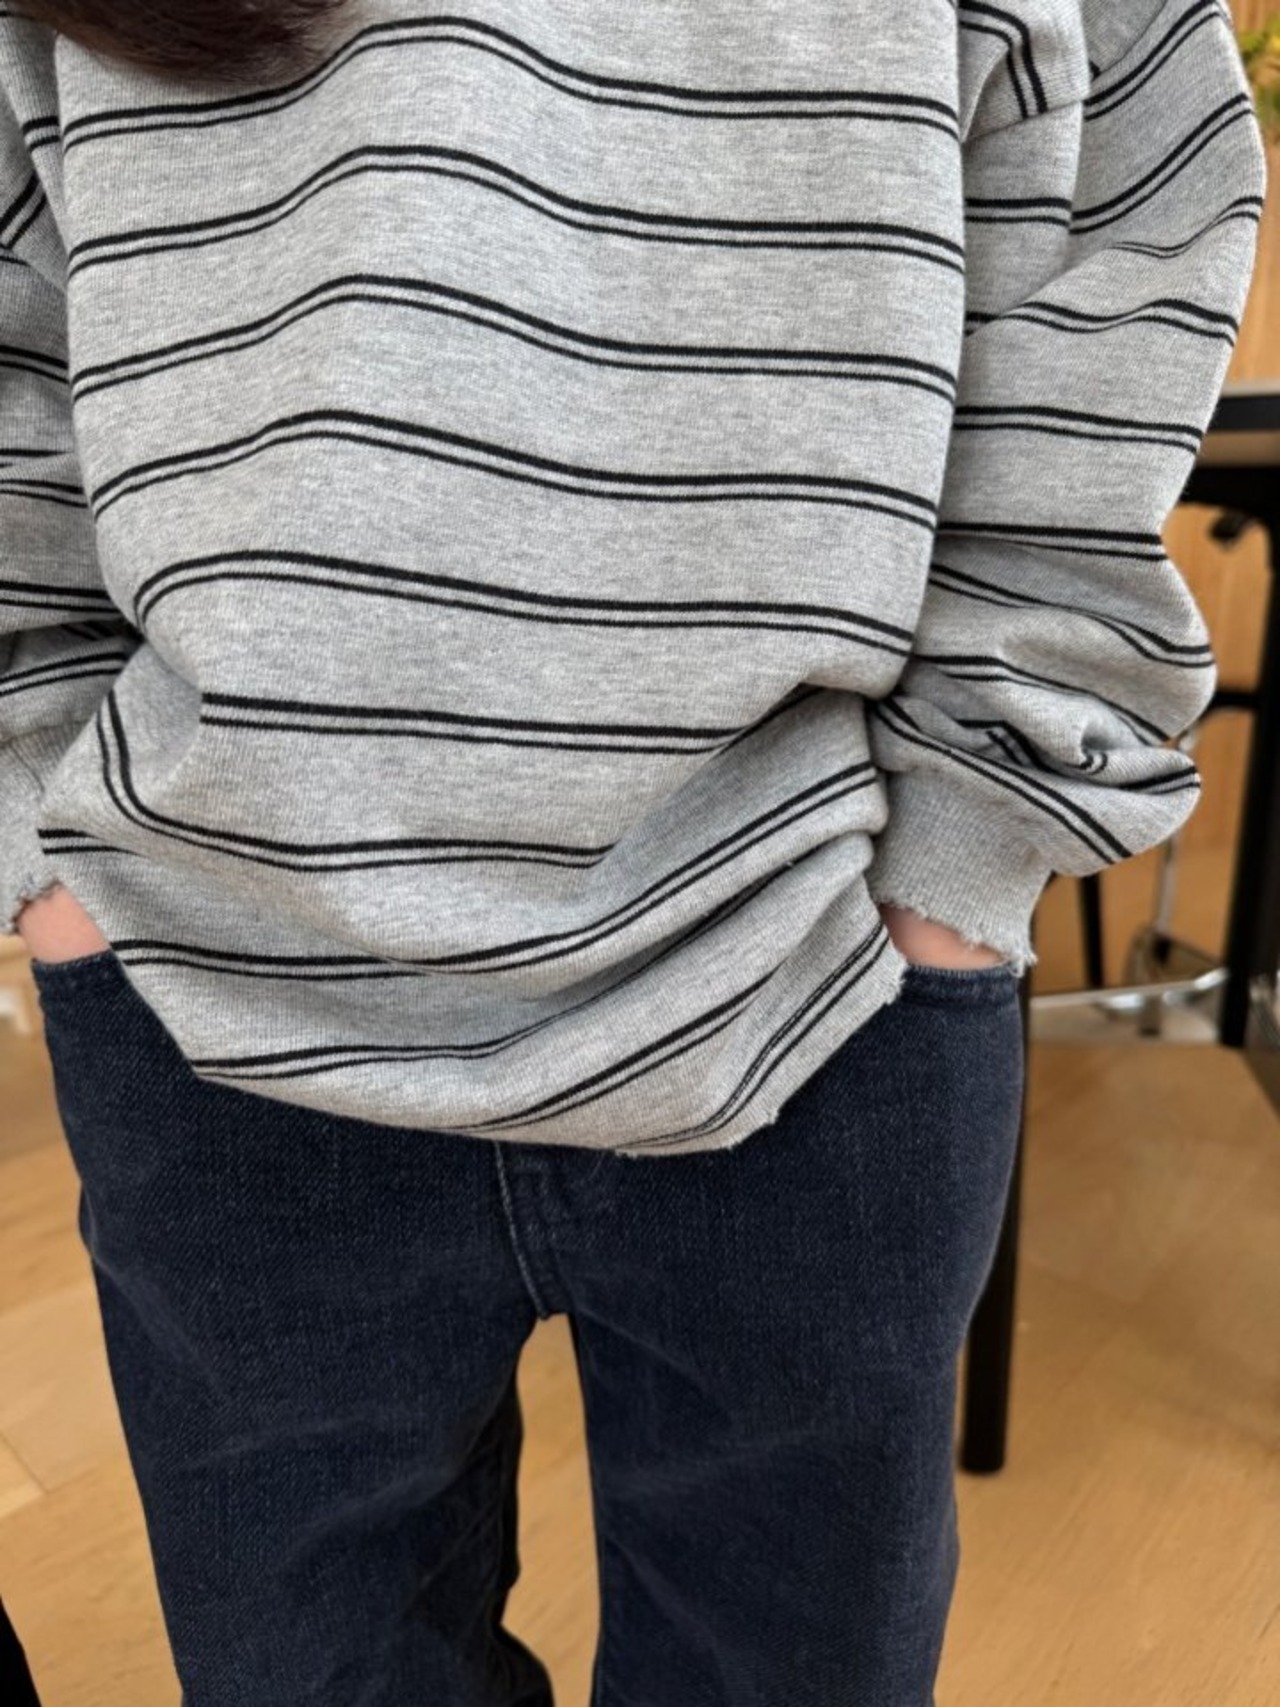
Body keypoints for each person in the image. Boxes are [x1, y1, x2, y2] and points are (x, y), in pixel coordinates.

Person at [1, 1, 1264, 1701]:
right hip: (210, 986)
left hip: (815, 984)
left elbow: (1122, 210)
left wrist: (962, 862)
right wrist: (47, 827)